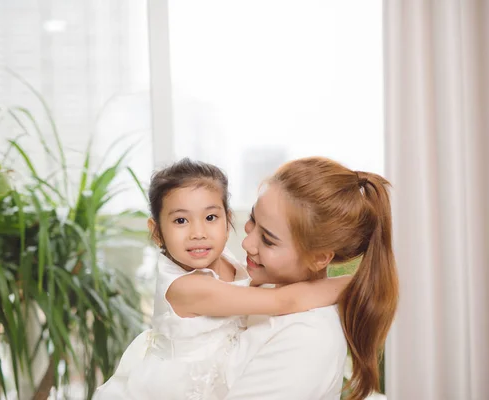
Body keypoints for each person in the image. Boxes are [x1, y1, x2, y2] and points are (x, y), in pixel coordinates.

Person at [93, 159, 349, 400]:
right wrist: (353, 283)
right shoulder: (186, 288)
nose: (198, 233)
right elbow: (282, 301)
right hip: (180, 386)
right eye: (181, 220)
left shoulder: (221, 258)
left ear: (227, 221)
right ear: (157, 232)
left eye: (210, 217)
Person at [223, 156, 399, 400]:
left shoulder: (308, 340)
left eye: (268, 240)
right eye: (253, 220)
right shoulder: (258, 284)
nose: (246, 243)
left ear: (319, 258)